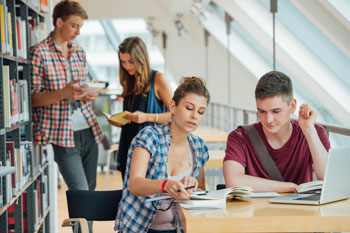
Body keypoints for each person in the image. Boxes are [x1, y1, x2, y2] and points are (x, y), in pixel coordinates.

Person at [115, 77, 211, 233]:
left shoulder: (199, 147)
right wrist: (165, 185)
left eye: (201, 112)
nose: (195, 116)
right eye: (189, 108)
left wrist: (192, 187)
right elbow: (134, 185)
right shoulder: (149, 137)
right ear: (173, 106)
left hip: (180, 228)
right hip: (140, 228)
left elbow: (200, 188)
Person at [30, 0, 103, 191]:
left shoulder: (79, 52)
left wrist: (87, 94)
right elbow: (32, 99)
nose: (78, 32)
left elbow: (78, 88)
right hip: (62, 134)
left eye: (80, 27)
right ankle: (79, 223)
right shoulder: (39, 53)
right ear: (59, 22)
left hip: (88, 129)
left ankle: (83, 224)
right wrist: (63, 93)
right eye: (74, 25)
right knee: (81, 192)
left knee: (90, 196)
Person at [223, 71, 330, 193]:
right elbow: (233, 182)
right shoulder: (239, 137)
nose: (268, 120)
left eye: (276, 111)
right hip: (255, 211)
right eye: (262, 111)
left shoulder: (315, 132)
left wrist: (309, 131)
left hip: (300, 212)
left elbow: (327, 178)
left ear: (292, 106)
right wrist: (291, 187)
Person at [109, 36, 173, 180]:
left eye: (131, 61)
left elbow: (176, 114)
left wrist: (146, 117)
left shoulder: (158, 79)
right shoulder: (129, 81)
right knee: (129, 195)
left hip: (150, 148)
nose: (127, 66)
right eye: (123, 62)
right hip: (128, 144)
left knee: (148, 194)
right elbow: (133, 117)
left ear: (141, 58)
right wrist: (121, 121)